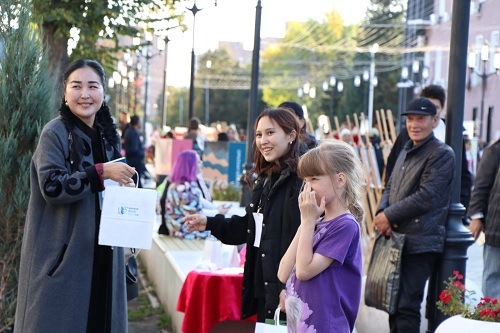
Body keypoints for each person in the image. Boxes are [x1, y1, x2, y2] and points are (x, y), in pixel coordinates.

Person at [14, 59, 137, 332]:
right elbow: (52, 188)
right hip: (65, 261)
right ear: (64, 92)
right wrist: (101, 172)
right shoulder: (54, 133)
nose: (85, 94)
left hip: (105, 256)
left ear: (103, 93)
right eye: (76, 86)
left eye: (92, 86)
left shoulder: (108, 136)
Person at [183, 107, 303, 321]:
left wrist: (291, 287)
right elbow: (249, 227)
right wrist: (209, 222)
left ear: (291, 135)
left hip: (290, 293)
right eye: (258, 134)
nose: (263, 140)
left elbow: (305, 240)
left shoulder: (302, 181)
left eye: (270, 133)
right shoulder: (266, 179)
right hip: (265, 287)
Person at [374, 97, 455, 333]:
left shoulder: (441, 153)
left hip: (420, 242)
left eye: (420, 119)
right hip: (398, 238)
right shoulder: (407, 148)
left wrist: (388, 215)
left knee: (408, 306)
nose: (414, 124)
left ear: (435, 120)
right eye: (410, 119)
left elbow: (427, 196)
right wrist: (381, 212)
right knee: (393, 306)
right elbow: (390, 185)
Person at [278, 139, 366, 333]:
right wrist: (306, 222)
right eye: (305, 180)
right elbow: (283, 272)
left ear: (340, 179)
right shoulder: (315, 221)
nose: (306, 187)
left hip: (326, 326)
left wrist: (308, 222)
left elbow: (304, 271)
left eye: (314, 179)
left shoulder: (345, 225)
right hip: (301, 325)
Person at [384, 85, 472, 215]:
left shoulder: (452, 134)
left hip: (440, 212)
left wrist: (460, 207)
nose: (430, 111)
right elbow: (392, 171)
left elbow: (462, 173)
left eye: (435, 108)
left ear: (441, 109)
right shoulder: (406, 135)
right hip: (403, 212)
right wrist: (387, 209)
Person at [158, 150, 228, 237]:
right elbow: (195, 213)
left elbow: (199, 201)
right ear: (190, 166)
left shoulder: (182, 185)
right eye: (198, 162)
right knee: (224, 232)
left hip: (183, 229)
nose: (201, 164)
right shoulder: (183, 188)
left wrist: (216, 208)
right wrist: (218, 211)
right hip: (184, 231)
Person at [468, 138, 500, 298]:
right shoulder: (495, 150)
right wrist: (476, 217)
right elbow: (481, 187)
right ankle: (492, 319)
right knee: (493, 275)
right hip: (497, 228)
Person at [123, 115, 147, 188]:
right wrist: (142, 152)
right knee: (136, 181)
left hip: (131, 160)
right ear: (138, 122)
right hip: (135, 161)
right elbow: (134, 148)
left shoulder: (130, 131)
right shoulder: (133, 133)